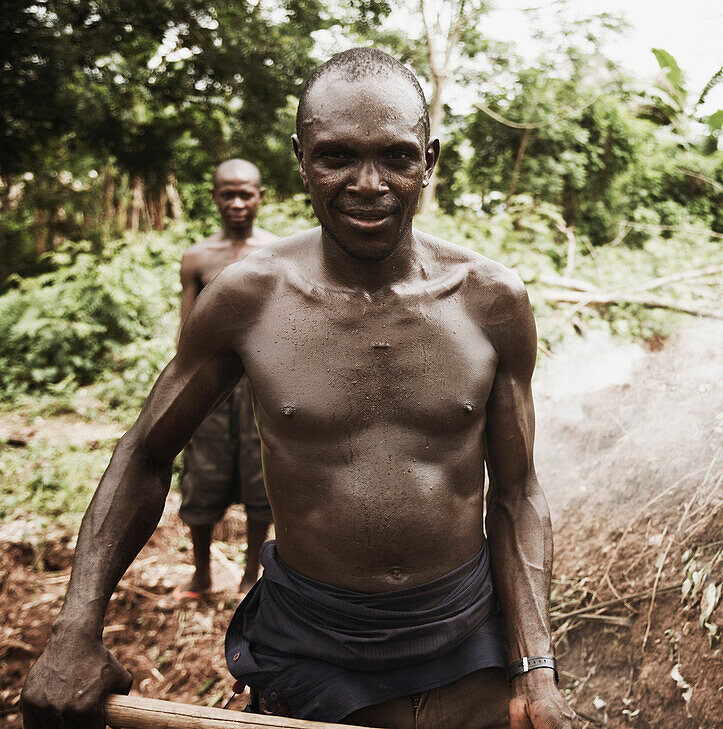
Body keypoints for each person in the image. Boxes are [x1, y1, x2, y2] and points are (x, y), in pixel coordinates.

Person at [20, 47, 577, 729]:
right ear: (301, 156)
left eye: (396, 157)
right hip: (314, 651)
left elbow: (517, 491)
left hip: (467, 644)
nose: (367, 183)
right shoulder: (248, 299)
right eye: (337, 155)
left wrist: (535, 666)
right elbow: (142, 453)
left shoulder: (490, 301)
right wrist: (76, 631)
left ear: (429, 160)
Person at [176, 159, 277, 598]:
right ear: (215, 197)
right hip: (211, 386)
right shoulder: (198, 258)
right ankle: (201, 573)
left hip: (263, 381)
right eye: (228, 194)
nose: (237, 203)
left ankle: (251, 575)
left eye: (246, 194)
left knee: (263, 477)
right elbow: (188, 332)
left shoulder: (279, 252)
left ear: (260, 196)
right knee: (202, 478)